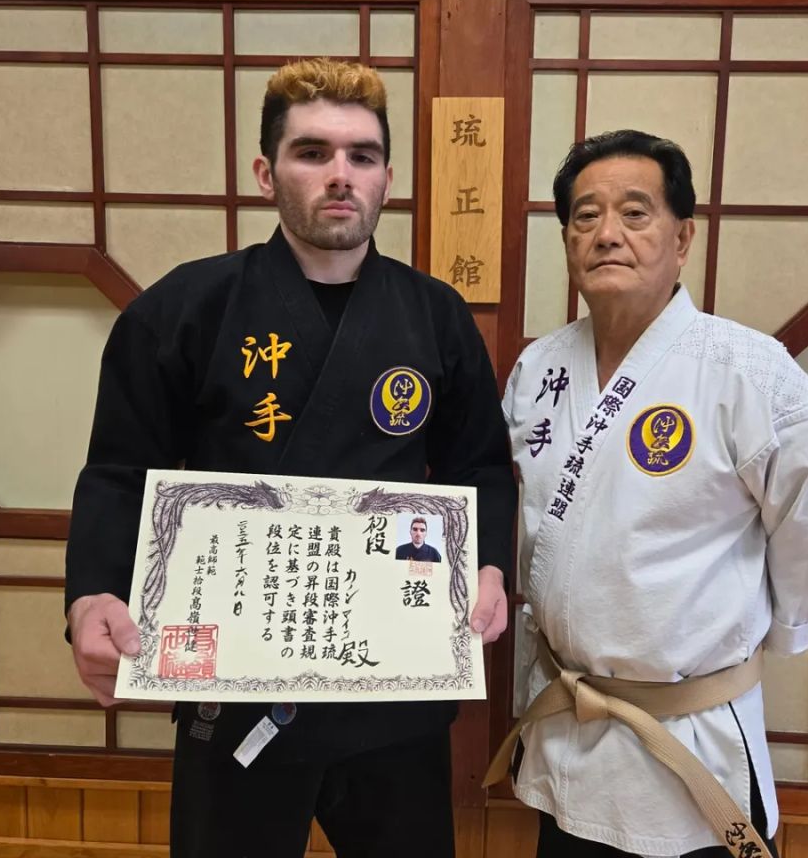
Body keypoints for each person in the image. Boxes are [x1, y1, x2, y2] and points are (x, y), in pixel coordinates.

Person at [65, 58, 516, 858]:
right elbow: (121, 470)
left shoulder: (435, 315)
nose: (340, 175)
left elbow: (478, 465)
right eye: (312, 152)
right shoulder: (185, 308)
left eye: (362, 156)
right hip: (234, 690)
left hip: (392, 692)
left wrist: (486, 567)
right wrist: (92, 594)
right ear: (266, 173)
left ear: (386, 180)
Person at [495, 130, 808, 857]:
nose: (607, 234)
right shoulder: (539, 370)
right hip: (568, 730)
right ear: (567, 239)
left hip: (691, 737)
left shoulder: (749, 373)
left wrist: (785, 631)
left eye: (635, 213)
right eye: (585, 216)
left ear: (683, 238)